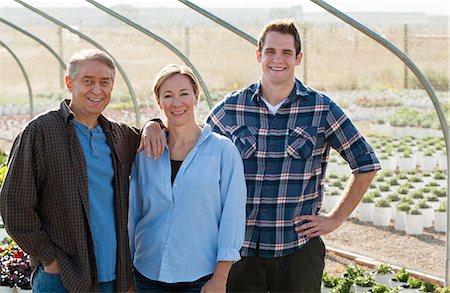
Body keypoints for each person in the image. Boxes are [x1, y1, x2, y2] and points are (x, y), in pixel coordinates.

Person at [143, 19, 380, 292]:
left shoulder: (321, 109)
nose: (277, 59)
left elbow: (366, 163)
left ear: (298, 58)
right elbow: (192, 139)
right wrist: (155, 124)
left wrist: (334, 219)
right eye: (270, 51)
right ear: (259, 55)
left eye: (286, 53)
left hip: (297, 251)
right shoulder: (231, 108)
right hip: (239, 254)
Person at [0, 49, 140, 292]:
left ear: (112, 86)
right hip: (62, 279)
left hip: (113, 278)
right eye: (88, 81)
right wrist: (51, 260)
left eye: (104, 82)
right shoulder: (41, 131)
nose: (97, 90)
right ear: (69, 82)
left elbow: (160, 135)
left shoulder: (119, 135)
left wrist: (155, 126)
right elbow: (14, 204)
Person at [129, 64, 246, 293]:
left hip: (201, 278)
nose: (176, 102)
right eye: (168, 96)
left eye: (184, 93)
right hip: (147, 273)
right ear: (158, 101)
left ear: (196, 97)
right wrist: (128, 273)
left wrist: (220, 278)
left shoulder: (223, 151)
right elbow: (134, 214)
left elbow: (232, 217)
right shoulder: (145, 152)